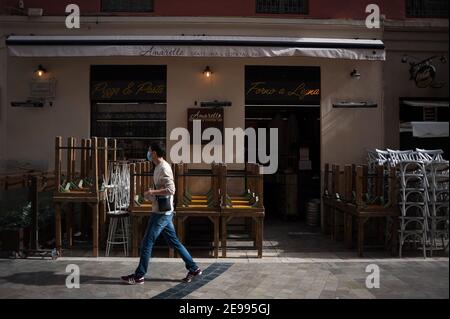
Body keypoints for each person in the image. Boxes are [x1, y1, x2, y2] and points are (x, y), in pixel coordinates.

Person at [121, 143, 202, 285]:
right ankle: (194, 268)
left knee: (147, 243)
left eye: (149, 150)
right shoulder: (157, 167)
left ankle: (139, 276)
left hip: (161, 214)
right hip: (162, 211)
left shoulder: (164, 167)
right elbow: (162, 189)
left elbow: (171, 190)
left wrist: (152, 192)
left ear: (154, 153)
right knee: (174, 242)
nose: (147, 152)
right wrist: (151, 195)